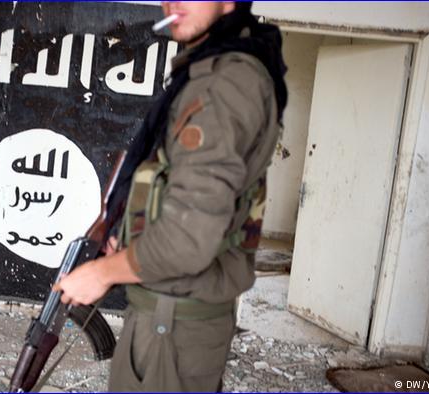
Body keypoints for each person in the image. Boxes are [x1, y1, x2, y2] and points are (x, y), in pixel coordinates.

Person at [53, 1, 287, 391]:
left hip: (174, 326)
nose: (172, 2)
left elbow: (188, 240)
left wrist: (101, 274)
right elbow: (172, 186)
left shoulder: (223, 84)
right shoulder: (211, 69)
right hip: (168, 315)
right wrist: (124, 238)